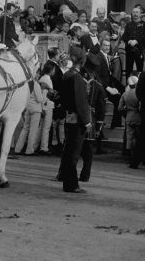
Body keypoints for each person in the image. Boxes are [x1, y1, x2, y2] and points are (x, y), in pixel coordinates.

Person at [57, 46, 92, 193]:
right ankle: (71, 184)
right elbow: (81, 102)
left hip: (69, 115)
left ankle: (65, 177)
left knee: (68, 150)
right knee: (74, 152)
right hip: (78, 119)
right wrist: (87, 121)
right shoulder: (77, 78)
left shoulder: (67, 75)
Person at [122, 7, 145, 77]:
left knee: (140, 69)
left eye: (137, 12)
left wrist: (136, 41)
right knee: (128, 70)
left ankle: (139, 85)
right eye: (134, 12)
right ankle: (128, 85)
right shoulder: (129, 24)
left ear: (140, 14)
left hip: (140, 49)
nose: (135, 14)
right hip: (129, 49)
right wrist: (129, 41)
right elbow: (124, 36)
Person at [118, 75, 141, 157]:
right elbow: (140, 107)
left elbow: (120, 108)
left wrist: (125, 114)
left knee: (129, 137)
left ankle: (128, 154)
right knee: (138, 137)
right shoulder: (139, 93)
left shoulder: (125, 94)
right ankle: (137, 154)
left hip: (128, 116)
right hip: (138, 117)